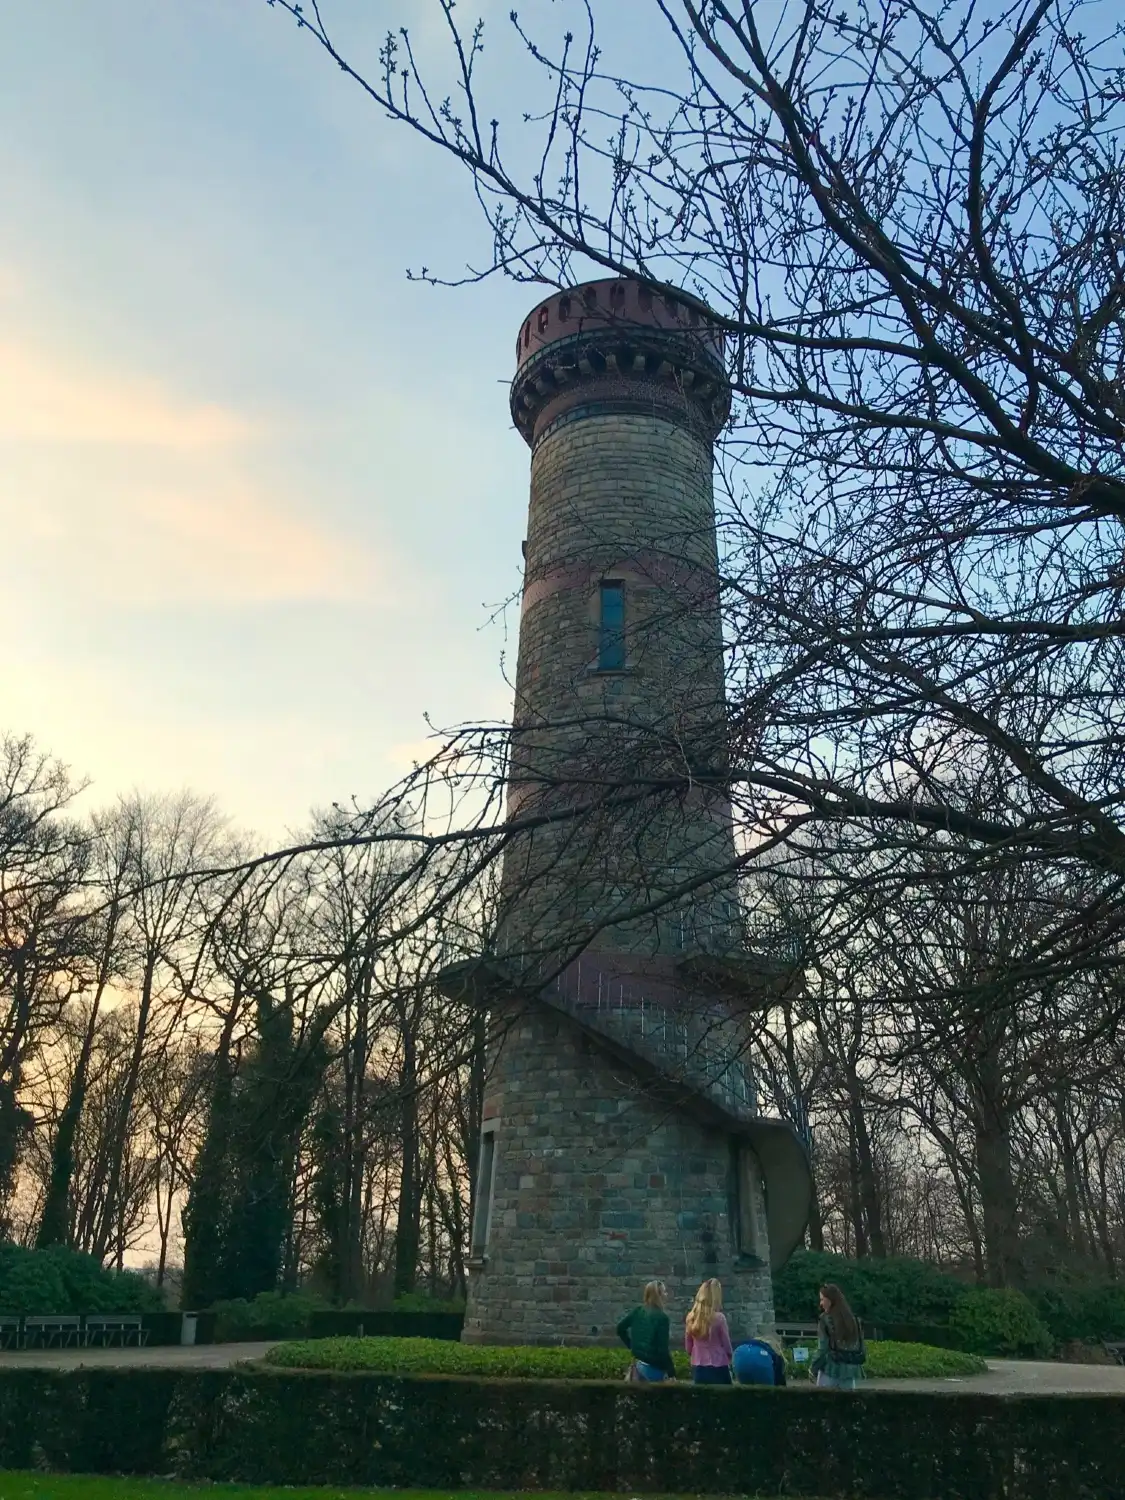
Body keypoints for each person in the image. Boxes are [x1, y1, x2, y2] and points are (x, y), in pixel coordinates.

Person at [616, 1280, 676, 1382]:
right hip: (654, 1367)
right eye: (664, 1292)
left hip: (638, 1364)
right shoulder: (662, 1318)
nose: (666, 1295)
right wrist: (671, 1373)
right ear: (659, 1295)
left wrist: (632, 1346)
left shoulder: (638, 1311)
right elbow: (662, 1349)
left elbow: (620, 1328)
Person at [809, 1282, 866, 1390]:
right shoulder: (855, 1321)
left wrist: (813, 1368)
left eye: (822, 1299)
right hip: (850, 1371)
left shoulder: (825, 1320)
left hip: (830, 1370)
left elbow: (823, 1349)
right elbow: (862, 1348)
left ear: (830, 1300)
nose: (821, 1303)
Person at [684, 1278, 733, 1384]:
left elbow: (688, 1347)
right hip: (718, 1364)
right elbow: (726, 1345)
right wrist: (730, 1356)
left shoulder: (691, 1317)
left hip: (698, 1364)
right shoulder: (719, 1318)